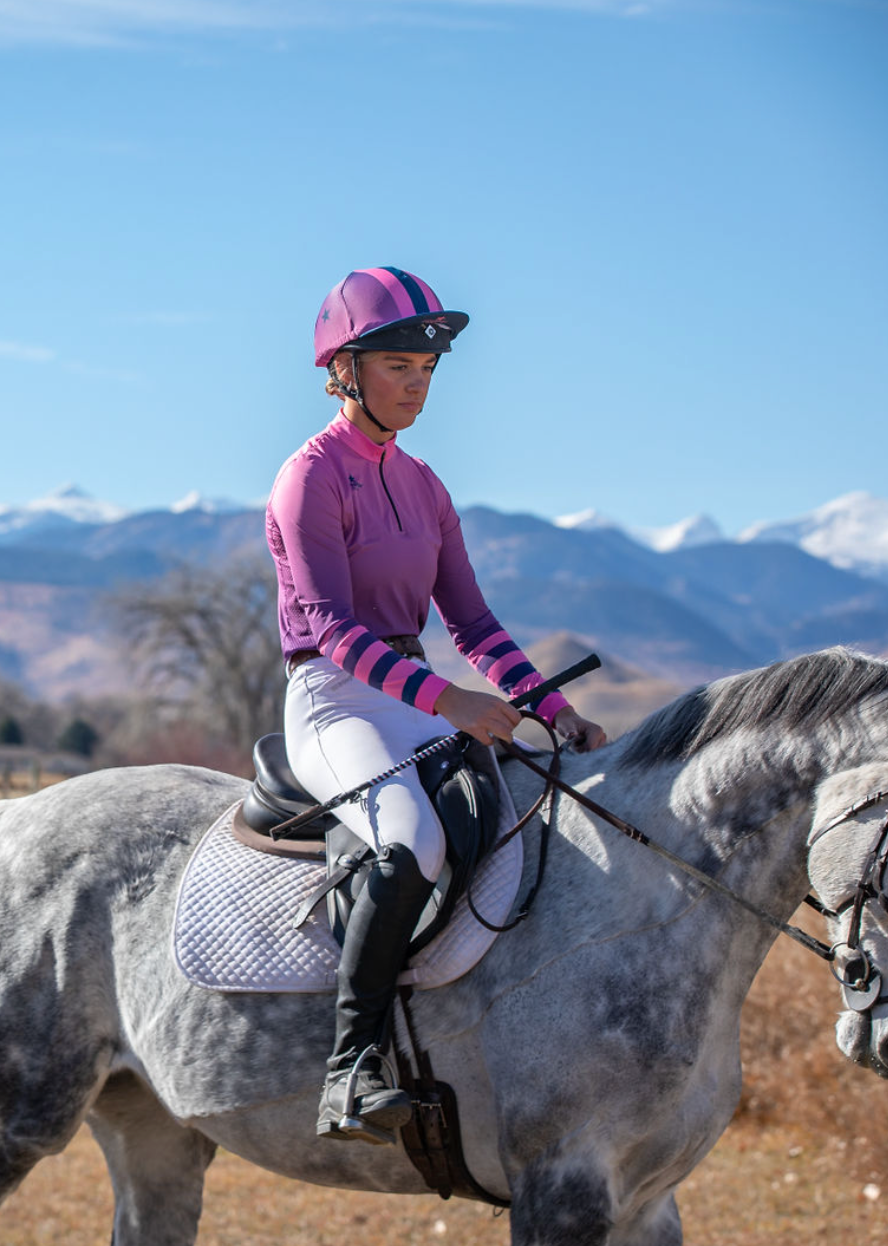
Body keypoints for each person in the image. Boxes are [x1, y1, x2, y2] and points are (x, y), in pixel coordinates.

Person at [266, 266, 607, 1145]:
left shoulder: (426, 486)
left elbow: (472, 619)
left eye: (426, 371)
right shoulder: (308, 479)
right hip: (334, 698)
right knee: (411, 835)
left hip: (410, 692)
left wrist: (545, 706)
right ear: (345, 371)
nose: (417, 386)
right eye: (397, 369)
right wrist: (451, 700)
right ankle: (349, 1069)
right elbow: (334, 631)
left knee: (526, 801)